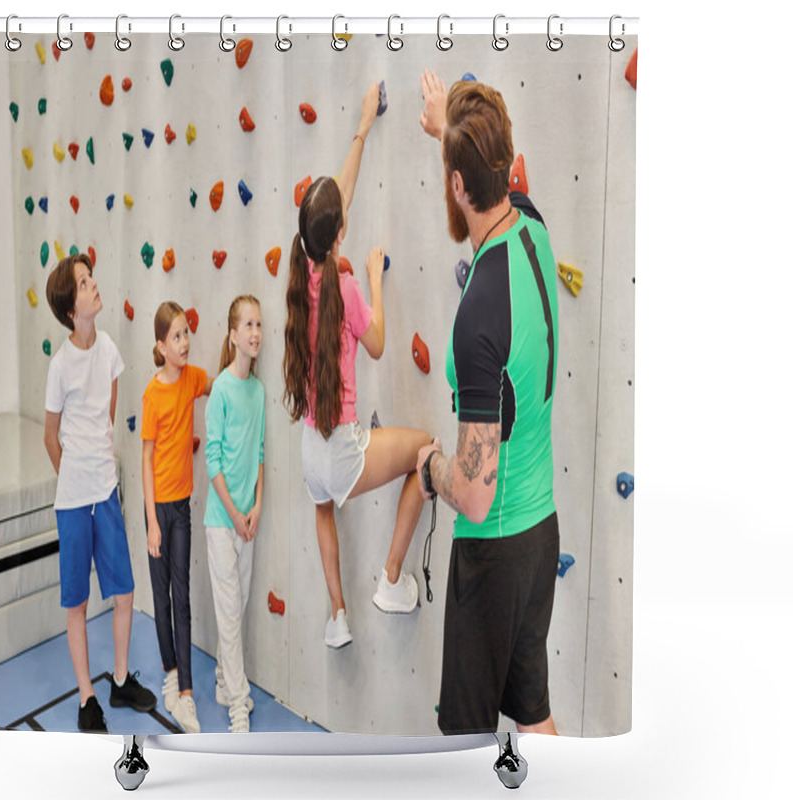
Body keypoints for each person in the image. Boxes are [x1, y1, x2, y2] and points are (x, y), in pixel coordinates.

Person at [416, 72, 561, 736]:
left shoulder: (479, 311)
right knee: (534, 721)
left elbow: (473, 494)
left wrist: (429, 466)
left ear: (454, 183)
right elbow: (489, 180)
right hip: (539, 534)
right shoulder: (533, 230)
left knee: (465, 746)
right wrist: (445, 133)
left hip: (493, 550)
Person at [283, 83, 431, 650]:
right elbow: (377, 345)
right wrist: (372, 276)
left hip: (310, 452)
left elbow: (333, 203)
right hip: (344, 448)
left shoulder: (302, 270)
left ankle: (338, 615)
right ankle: (391, 580)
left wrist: (363, 127)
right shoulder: (345, 286)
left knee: (325, 512)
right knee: (426, 452)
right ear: (340, 237)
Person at [43, 253, 156, 733]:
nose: (93, 286)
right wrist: (74, 477)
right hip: (73, 502)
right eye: (84, 283)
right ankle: (88, 696)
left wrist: (97, 472)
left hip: (106, 495)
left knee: (125, 592)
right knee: (78, 603)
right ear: (72, 307)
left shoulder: (108, 348)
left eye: (91, 279)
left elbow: (106, 416)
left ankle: (121, 678)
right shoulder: (59, 366)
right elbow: (52, 436)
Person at [141, 301, 212, 733]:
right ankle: (170, 672)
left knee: (182, 597)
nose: (185, 342)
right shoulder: (153, 394)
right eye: (178, 337)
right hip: (158, 511)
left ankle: (186, 694)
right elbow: (146, 458)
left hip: (182, 508)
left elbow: (218, 384)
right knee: (162, 596)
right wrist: (151, 522)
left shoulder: (191, 379)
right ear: (161, 346)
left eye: (187, 333)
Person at [204, 295, 265, 733]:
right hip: (221, 522)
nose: (255, 332)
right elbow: (213, 462)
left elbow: (259, 452)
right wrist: (234, 513)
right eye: (247, 325)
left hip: (249, 519)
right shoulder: (221, 389)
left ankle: (225, 680)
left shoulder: (258, 391)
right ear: (232, 335)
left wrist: (258, 505)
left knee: (238, 606)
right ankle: (238, 706)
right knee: (228, 610)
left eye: (259, 325)